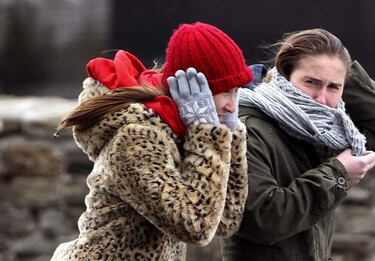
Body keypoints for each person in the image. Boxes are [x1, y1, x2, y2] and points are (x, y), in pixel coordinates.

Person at [51, 22, 253, 261]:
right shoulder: (137, 137)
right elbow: (196, 227)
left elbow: (225, 221)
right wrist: (206, 133)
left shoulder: (182, 128)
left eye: (235, 92)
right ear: (195, 90)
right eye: (224, 92)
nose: (232, 105)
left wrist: (230, 135)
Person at [221, 28, 375, 260]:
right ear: (285, 75)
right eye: (311, 82)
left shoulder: (323, 133)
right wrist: (338, 174)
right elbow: (263, 219)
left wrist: (338, 72)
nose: (320, 99)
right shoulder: (247, 129)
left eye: (333, 87)